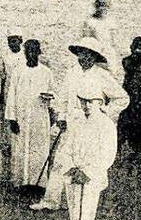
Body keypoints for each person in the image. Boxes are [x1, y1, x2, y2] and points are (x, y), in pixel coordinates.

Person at [31, 38, 129, 210]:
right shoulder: (72, 72)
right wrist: (61, 117)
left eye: (87, 54)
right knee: (61, 161)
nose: (83, 57)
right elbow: (62, 98)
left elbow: (122, 98)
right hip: (70, 124)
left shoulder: (101, 75)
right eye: (81, 53)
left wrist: (105, 112)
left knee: (85, 163)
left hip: (90, 126)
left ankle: (83, 201)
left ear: (94, 56)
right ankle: (50, 201)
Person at [63, 78, 119, 220]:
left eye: (91, 101)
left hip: (91, 178)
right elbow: (67, 147)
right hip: (72, 175)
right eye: (83, 101)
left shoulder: (106, 125)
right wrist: (70, 167)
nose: (86, 105)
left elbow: (107, 155)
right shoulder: (77, 122)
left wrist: (87, 172)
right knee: (74, 218)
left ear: (101, 103)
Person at [5, 39, 55, 188]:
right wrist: (12, 119)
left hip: (39, 116)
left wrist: (49, 98)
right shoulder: (18, 71)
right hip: (21, 117)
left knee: (39, 150)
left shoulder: (46, 72)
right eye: (28, 51)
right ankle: (22, 183)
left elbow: (53, 92)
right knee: (21, 149)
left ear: (39, 53)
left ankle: (38, 184)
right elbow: (11, 95)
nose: (31, 54)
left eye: (34, 51)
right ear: (25, 53)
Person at [119, 36, 141, 159]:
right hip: (129, 95)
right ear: (131, 47)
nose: (138, 48)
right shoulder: (126, 61)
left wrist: (140, 87)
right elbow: (129, 70)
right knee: (125, 123)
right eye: (136, 45)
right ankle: (120, 151)